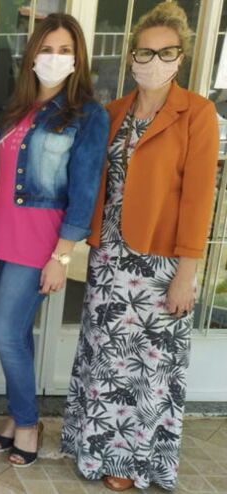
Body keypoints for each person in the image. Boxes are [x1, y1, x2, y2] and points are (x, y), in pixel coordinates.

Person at [60, 3, 219, 491]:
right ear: (131, 56)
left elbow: (199, 199)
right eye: (145, 52)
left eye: (166, 52)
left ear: (181, 57)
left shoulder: (197, 114)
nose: (154, 61)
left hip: (161, 262)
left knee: (147, 368)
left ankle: (129, 462)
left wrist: (187, 273)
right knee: (105, 361)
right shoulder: (113, 113)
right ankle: (93, 449)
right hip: (110, 259)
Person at [0, 13, 109, 467]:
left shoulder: (88, 115)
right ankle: (18, 414)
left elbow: (85, 189)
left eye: (64, 50)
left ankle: (26, 422)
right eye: (47, 49)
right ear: (32, 54)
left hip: (37, 243)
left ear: (78, 59)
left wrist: (62, 255)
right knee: (17, 333)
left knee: (4, 334)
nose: (54, 58)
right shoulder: (14, 109)